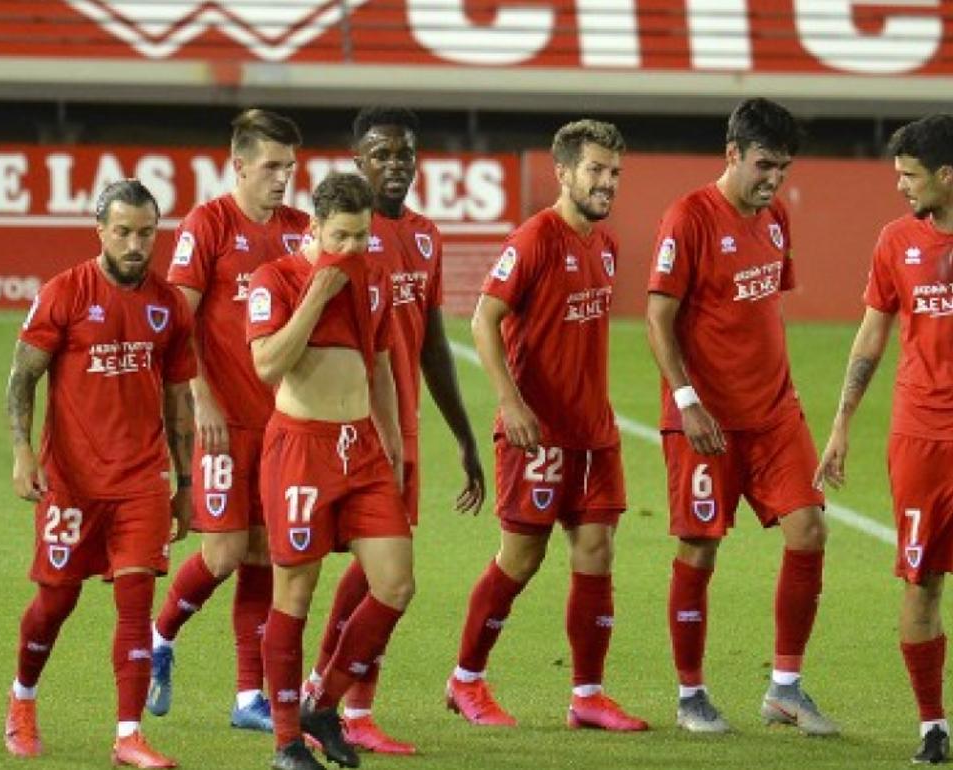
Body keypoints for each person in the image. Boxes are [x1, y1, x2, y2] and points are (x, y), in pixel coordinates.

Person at [443, 120, 647, 733]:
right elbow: (484, 318)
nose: (606, 183)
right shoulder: (533, 239)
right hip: (538, 434)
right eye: (595, 171)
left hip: (594, 432)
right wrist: (511, 403)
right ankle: (466, 680)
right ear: (563, 172)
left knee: (596, 550)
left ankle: (587, 694)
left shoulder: (605, 245)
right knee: (521, 558)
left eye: (614, 173)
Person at [646, 97, 836, 736]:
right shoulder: (688, 218)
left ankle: (785, 687)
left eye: (782, 167)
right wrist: (688, 401)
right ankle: (690, 695)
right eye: (763, 165)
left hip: (776, 415)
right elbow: (658, 318)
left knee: (808, 530)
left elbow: (760, 312)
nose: (773, 180)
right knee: (699, 550)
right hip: (707, 420)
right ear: (732, 153)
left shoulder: (775, 215)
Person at [303, 107, 484, 755]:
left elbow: (433, 346)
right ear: (358, 158)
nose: (396, 165)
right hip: (345, 426)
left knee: (376, 571)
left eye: (405, 154)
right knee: (379, 573)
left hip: (399, 425)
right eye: (381, 154)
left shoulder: (427, 237)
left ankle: (327, 695)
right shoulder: (341, 235)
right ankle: (340, 704)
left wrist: (463, 434)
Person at [3, 180, 196, 769]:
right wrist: (22, 452)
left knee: (136, 604)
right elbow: (22, 376)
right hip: (71, 482)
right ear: (100, 231)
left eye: (146, 233)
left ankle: (128, 736)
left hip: (140, 481)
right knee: (54, 602)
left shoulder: (169, 305)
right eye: (124, 232)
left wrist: (185, 485)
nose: (136, 244)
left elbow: (177, 400)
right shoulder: (64, 293)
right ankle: (22, 699)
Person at [149, 109, 309, 731]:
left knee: (265, 556)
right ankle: (162, 636)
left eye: (289, 167)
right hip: (221, 423)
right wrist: (201, 397)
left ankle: (249, 698)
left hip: (281, 424)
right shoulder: (208, 224)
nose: (282, 178)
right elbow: (175, 317)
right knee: (222, 552)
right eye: (271, 166)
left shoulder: (301, 230)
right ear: (238, 164)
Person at [247, 172, 412, 770]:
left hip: (361, 446)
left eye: (362, 236)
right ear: (313, 227)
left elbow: (384, 363)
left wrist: (393, 439)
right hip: (301, 448)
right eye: (340, 235)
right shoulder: (276, 280)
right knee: (295, 591)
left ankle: (324, 704)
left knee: (395, 584)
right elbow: (267, 365)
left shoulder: (375, 278)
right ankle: (287, 740)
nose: (352, 248)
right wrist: (317, 294)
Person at [814, 114, 953, 763]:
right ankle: (932, 724)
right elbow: (872, 335)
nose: (900, 186)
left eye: (910, 175)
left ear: (947, 176)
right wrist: (842, 422)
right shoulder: (896, 241)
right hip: (922, 438)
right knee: (921, 581)